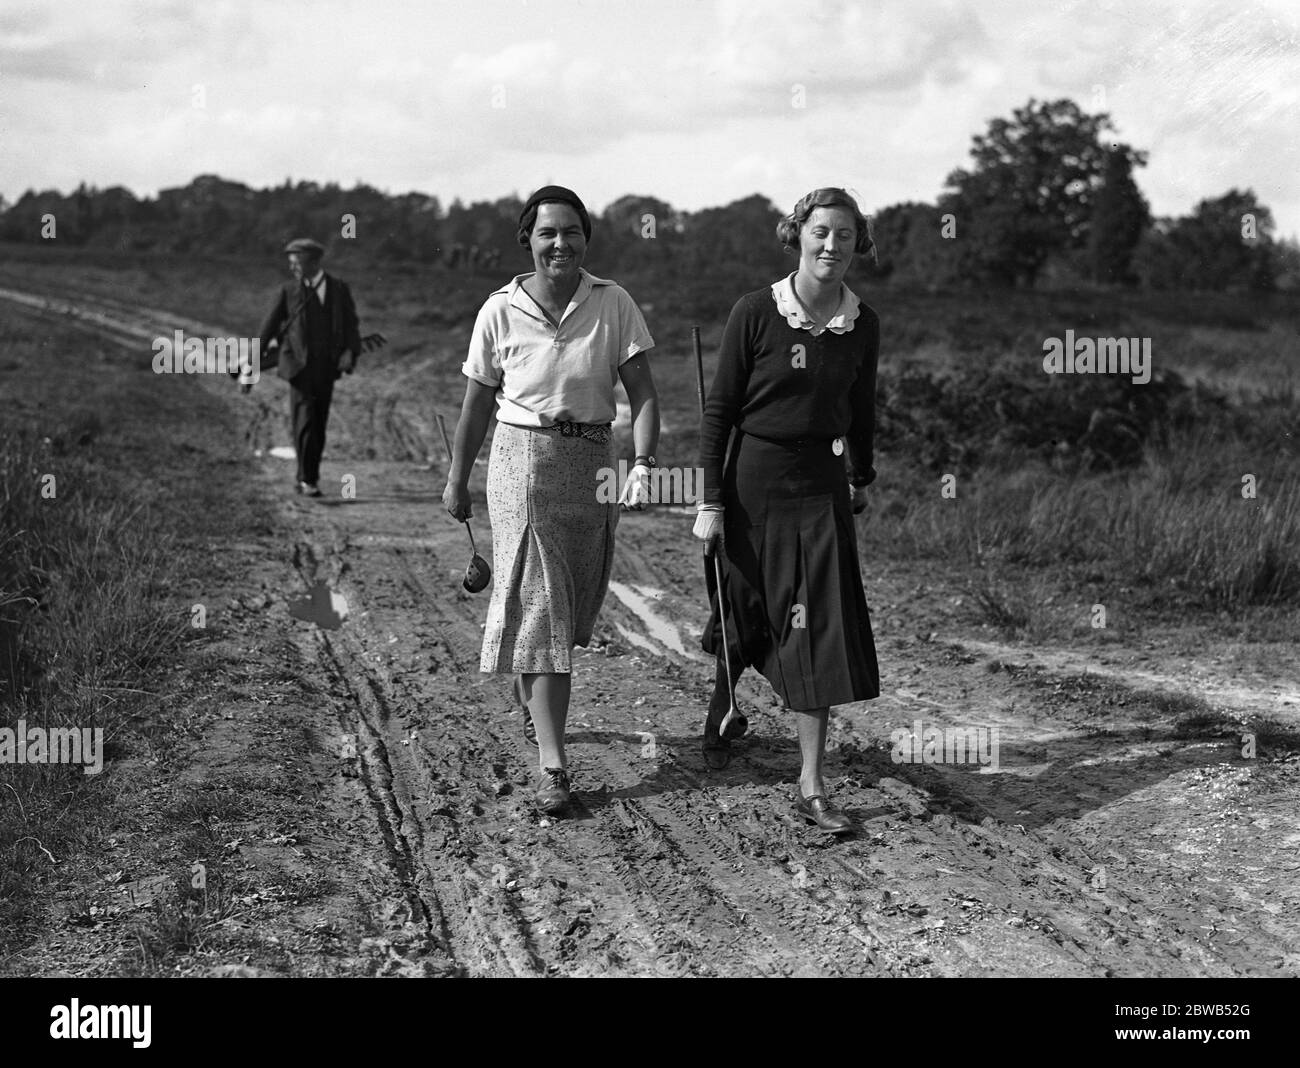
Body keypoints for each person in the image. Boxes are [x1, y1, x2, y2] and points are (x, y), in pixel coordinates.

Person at [442, 186, 661, 816]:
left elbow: (643, 393)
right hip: (523, 465)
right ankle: (555, 766)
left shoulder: (613, 302)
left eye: (571, 232)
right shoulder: (499, 310)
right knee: (543, 607)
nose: (559, 243)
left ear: (585, 239)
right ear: (528, 241)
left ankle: (536, 700)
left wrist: (643, 464)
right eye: (547, 233)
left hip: (591, 464)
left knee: (569, 599)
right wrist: (458, 477)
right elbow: (477, 403)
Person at [694, 187, 881, 835]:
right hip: (751, 480)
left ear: (860, 245)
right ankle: (721, 711)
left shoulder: (863, 322)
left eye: (847, 236)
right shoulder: (755, 312)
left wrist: (861, 476)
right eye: (821, 232)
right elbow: (719, 411)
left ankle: (810, 783)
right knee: (743, 607)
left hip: (820, 485)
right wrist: (710, 501)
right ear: (797, 234)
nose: (833, 246)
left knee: (818, 624)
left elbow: (862, 410)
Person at [254, 237, 362, 497]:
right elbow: (267, 329)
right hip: (297, 368)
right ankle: (307, 478)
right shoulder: (287, 291)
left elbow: (351, 325)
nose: (293, 268)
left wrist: (349, 351)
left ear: (314, 262)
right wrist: (252, 364)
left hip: (327, 368)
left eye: (297, 263)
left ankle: (308, 475)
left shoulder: (338, 289)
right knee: (304, 421)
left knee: (319, 423)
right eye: (290, 263)